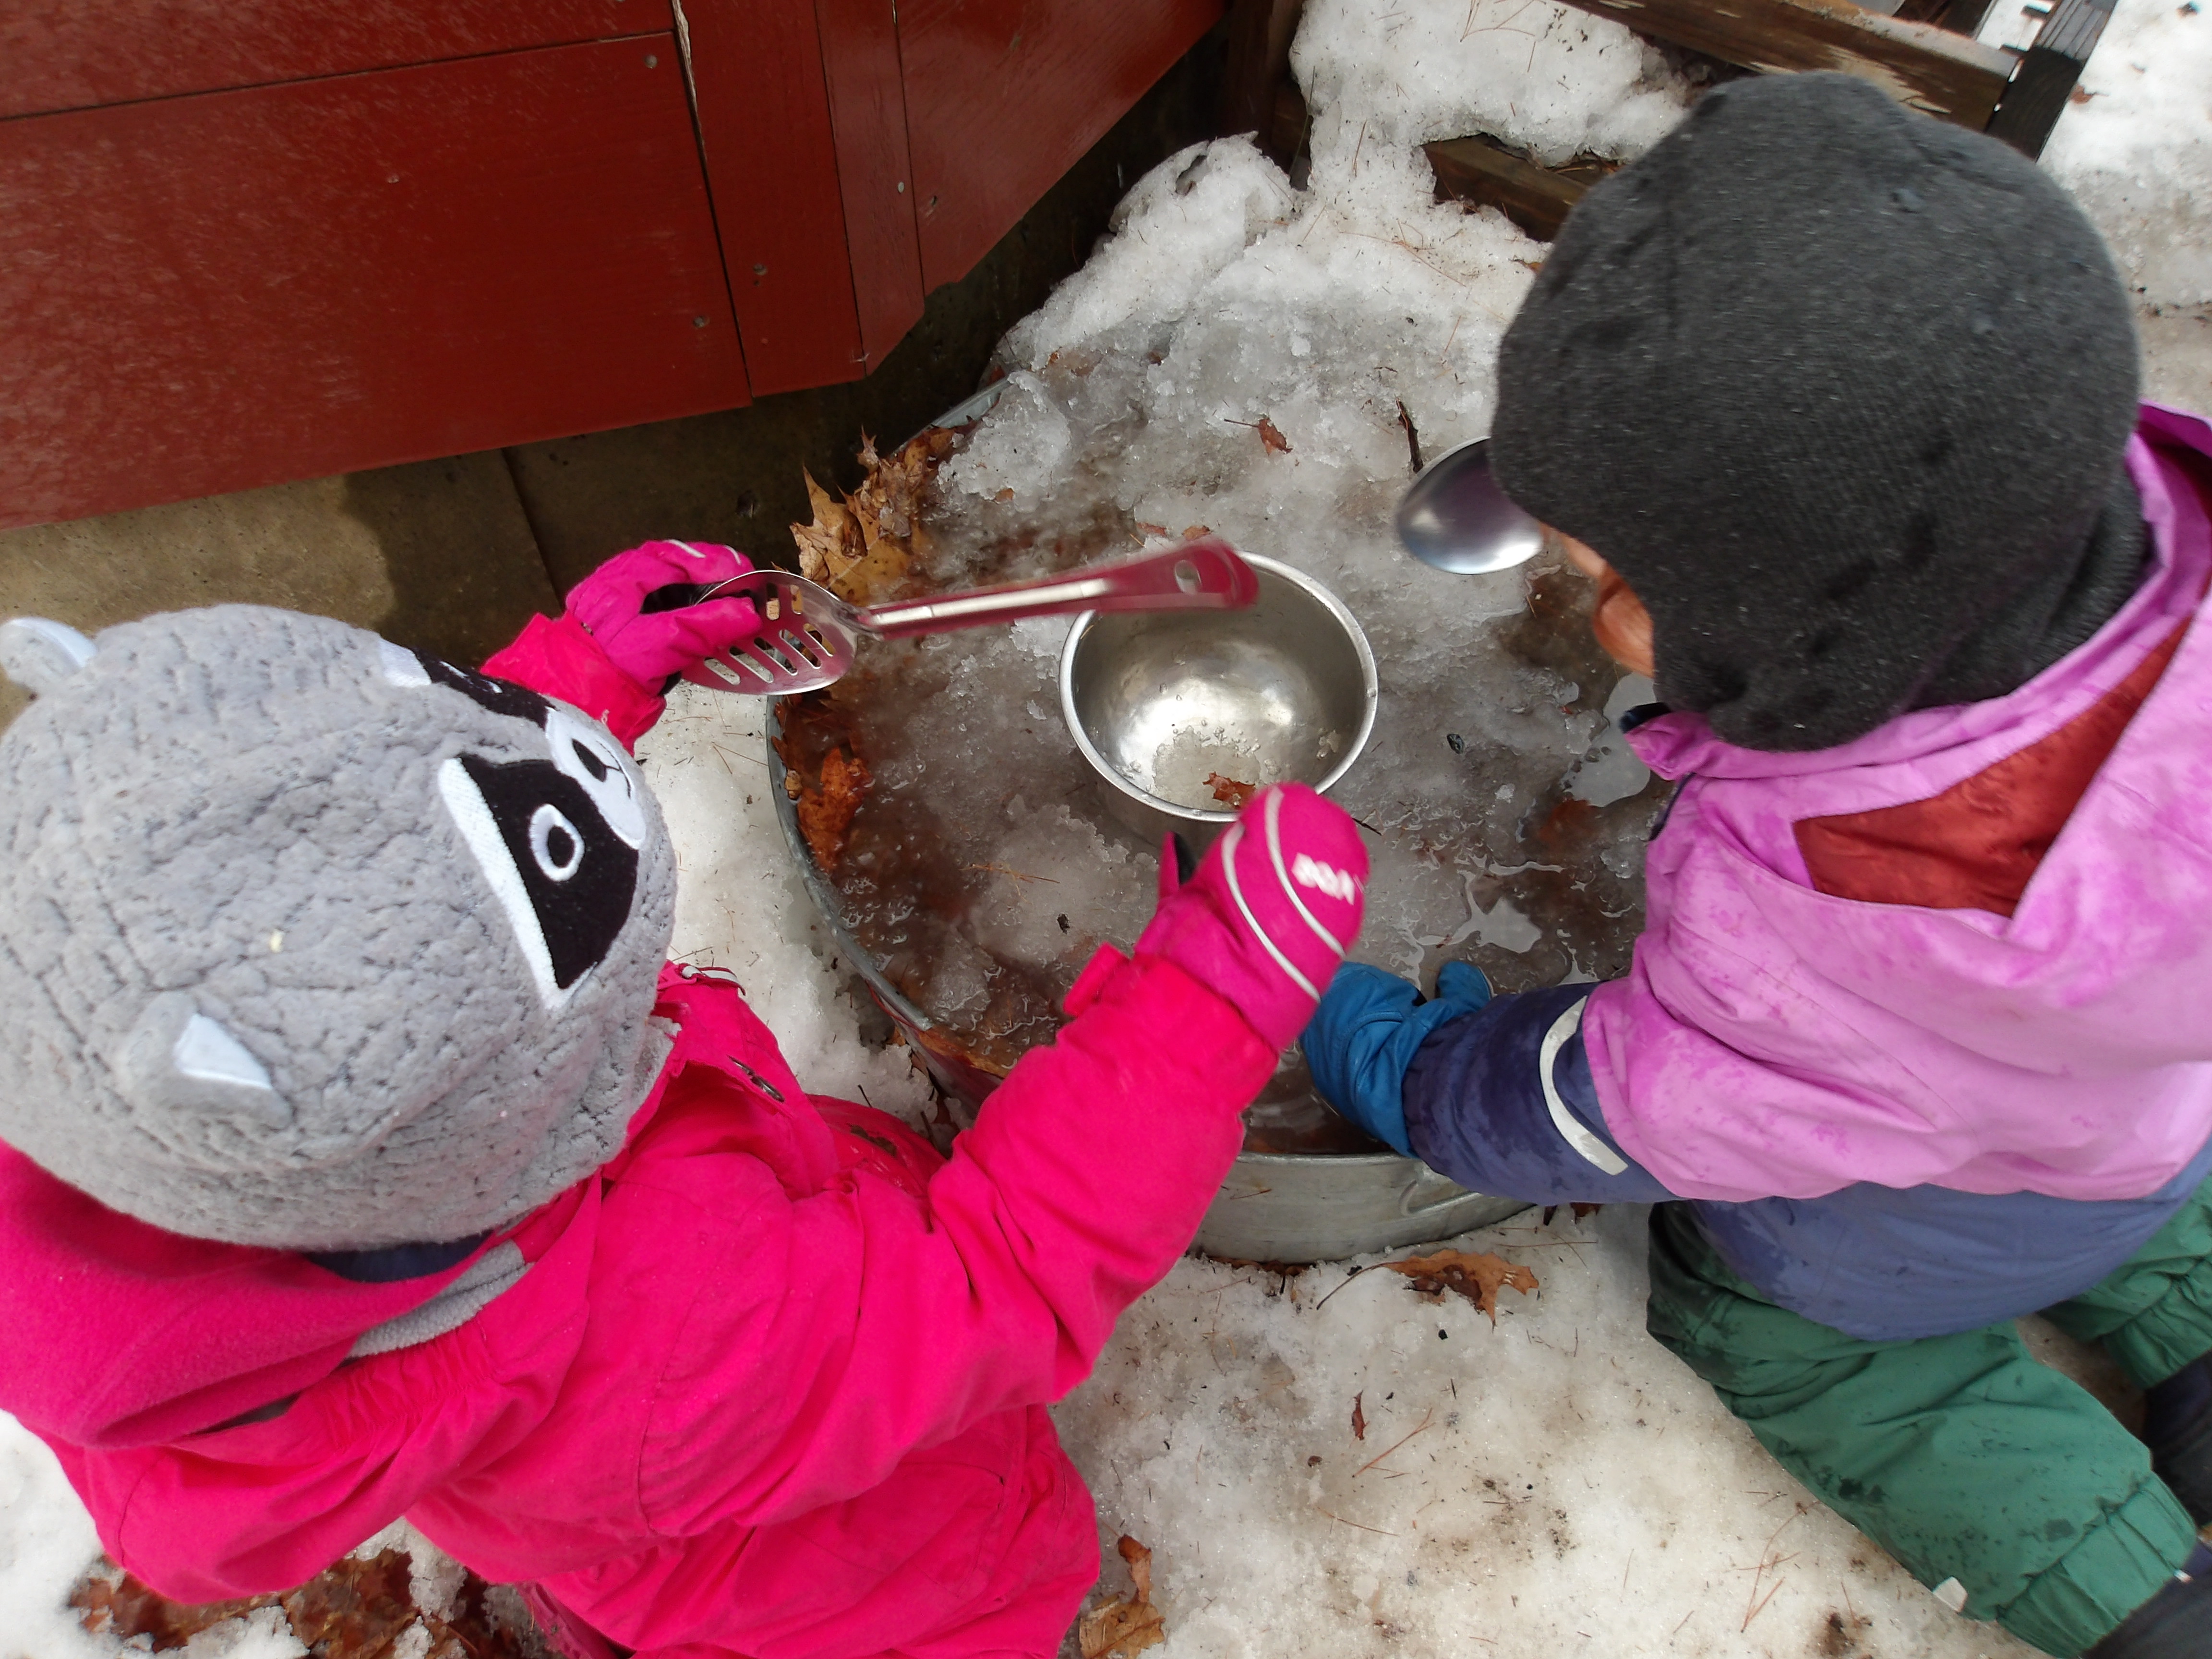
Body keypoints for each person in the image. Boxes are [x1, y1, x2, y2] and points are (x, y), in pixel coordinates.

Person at [0, 539, 1369, 1659]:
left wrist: (566, 687)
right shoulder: (673, 1325)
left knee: (633, 1545)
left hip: (636, 1485)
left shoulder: (129, 1106)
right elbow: (994, 1281)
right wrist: (1200, 1017)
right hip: (904, 1585)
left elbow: (374, 858)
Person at [1302, 71, 2212, 1659]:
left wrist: (1421, 1065)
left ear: (1821, 640)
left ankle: (2138, 1591)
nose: (1602, 622)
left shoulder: (1841, 915)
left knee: (1781, 1326)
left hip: (1926, 1207)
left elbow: (1623, 1103)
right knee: (2125, 1190)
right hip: (2144, 1108)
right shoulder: (2109, 533)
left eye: (1626, 587)